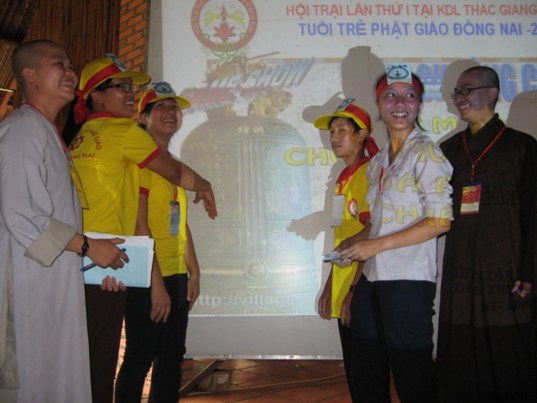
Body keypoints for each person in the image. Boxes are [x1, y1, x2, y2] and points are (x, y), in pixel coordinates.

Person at [67, 55, 217, 403]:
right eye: (122, 87)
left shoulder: (81, 136)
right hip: (113, 261)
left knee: (110, 358)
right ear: (97, 96)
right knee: (118, 358)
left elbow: (176, 221)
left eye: (132, 87)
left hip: (94, 258)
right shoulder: (124, 135)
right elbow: (146, 215)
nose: (131, 93)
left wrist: (192, 270)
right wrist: (206, 184)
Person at [0, 40, 127, 402]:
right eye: (60, 64)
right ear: (30, 75)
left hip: (51, 280)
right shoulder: (22, 129)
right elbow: (20, 212)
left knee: (54, 373)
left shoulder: (45, 131)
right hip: (27, 283)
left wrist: (90, 253)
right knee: (30, 378)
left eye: (71, 65)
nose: (71, 72)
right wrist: (87, 246)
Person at [336, 66, 453, 402]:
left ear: (419, 104)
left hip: (408, 281)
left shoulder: (426, 152)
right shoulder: (378, 162)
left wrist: (375, 245)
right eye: (390, 95)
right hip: (373, 278)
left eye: (409, 96)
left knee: (412, 375)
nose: (400, 103)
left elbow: (440, 221)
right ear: (378, 104)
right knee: (367, 370)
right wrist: (354, 242)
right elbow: (378, 224)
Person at [437, 65, 537, 403]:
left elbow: (534, 213)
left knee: (509, 353)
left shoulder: (523, 146)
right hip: (461, 269)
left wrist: (529, 270)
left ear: (493, 93)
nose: (459, 98)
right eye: (457, 93)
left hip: (507, 268)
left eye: (467, 90)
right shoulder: (449, 150)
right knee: (461, 352)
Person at [115, 82, 201, 402]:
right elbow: (140, 226)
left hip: (175, 274)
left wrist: (194, 272)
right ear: (144, 117)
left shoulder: (172, 165)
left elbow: (179, 224)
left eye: (174, 107)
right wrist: (156, 285)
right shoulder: (141, 165)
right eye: (160, 107)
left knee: (171, 358)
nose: (170, 112)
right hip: (148, 276)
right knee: (141, 356)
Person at [313, 98, 377, 401]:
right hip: (345, 288)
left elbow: (372, 233)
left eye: (342, 130)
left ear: (361, 134)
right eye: (332, 131)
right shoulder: (343, 177)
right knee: (356, 375)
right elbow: (344, 239)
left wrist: (354, 291)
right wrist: (330, 286)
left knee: (367, 376)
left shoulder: (367, 174)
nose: (334, 137)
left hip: (361, 289)